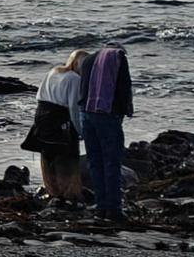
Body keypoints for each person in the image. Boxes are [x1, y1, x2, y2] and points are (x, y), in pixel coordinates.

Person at [80, 40, 136, 224]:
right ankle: (113, 210)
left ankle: (100, 207)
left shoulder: (87, 59)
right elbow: (123, 88)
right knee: (112, 162)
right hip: (107, 114)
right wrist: (125, 111)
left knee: (95, 162)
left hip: (86, 113)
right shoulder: (117, 57)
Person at [26, 50, 89, 207]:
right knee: (67, 156)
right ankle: (70, 195)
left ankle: (52, 192)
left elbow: (39, 96)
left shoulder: (53, 71)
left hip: (41, 116)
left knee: (48, 155)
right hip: (61, 118)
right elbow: (74, 108)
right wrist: (81, 131)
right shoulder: (74, 79)